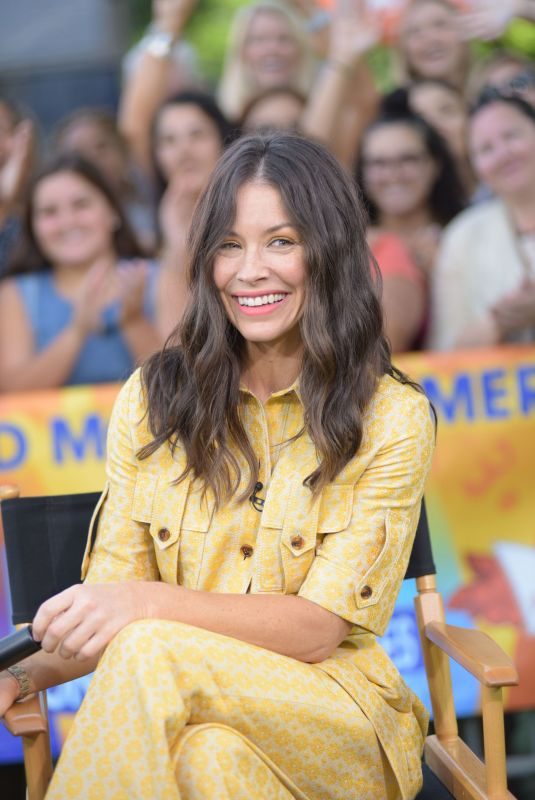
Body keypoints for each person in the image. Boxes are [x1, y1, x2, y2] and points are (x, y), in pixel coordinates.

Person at [0, 133, 435, 800]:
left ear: (330, 252)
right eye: (228, 245)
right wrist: (17, 676)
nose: (248, 270)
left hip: (336, 714)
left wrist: (144, 603)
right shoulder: (153, 400)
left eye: (280, 242)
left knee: (146, 647)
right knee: (208, 764)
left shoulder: (389, 414)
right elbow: (109, 604)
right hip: (195, 712)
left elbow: (318, 628)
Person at [0, 154, 161, 391]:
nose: (67, 222)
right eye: (49, 212)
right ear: (33, 227)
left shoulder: (160, 278)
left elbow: (188, 384)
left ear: (113, 212)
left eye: (81, 205)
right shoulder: (14, 294)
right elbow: (10, 395)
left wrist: (134, 321)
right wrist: (77, 331)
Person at [428, 93, 535, 350]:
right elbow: (446, 351)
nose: (504, 154)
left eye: (512, 136)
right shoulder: (462, 236)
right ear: (474, 165)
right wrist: (499, 321)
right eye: (486, 149)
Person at [151, 91, 233, 339]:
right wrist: (177, 245)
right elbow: (175, 346)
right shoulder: (146, 240)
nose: (184, 150)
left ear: (223, 140)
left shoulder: (253, 217)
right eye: (169, 140)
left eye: (197, 135)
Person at [356, 110, 466, 277]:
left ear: (435, 165)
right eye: (378, 163)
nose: (393, 175)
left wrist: (445, 270)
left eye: (408, 159)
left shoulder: (467, 235)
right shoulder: (347, 246)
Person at [52, 108, 157, 250]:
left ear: (123, 151)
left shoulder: (154, 202)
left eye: (101, 147)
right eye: (78, 154)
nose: (92, 159)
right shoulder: (56, 222)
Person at [217, 1, 315, 122]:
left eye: (283, 38)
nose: (272, 49)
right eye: (259, 39)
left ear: (301, 48)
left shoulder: (326, 111)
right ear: (241, 51)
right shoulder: (220, 119)